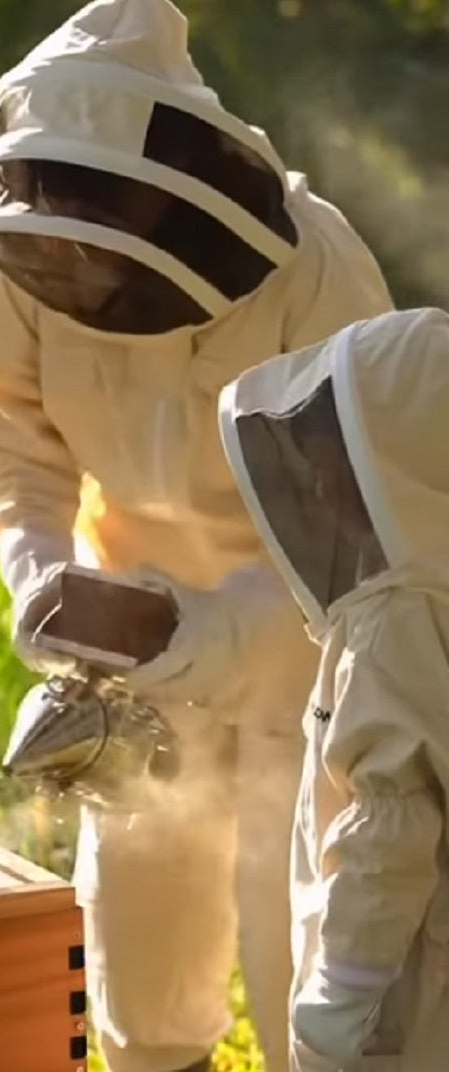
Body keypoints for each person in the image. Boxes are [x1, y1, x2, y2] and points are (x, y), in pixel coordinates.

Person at [0, 0, 393, 1069]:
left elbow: (372, 526)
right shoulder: (15, 270)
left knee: (311, 947)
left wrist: (222, 629)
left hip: (309, 646)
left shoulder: (316, 272)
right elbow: (16, 448)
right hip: (135, 635)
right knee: (142, 934)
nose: (80, 267)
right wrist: (42, 579)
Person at [217, 307, 449, 1072]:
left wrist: (333, 1009)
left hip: (407, 1003)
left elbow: (390, 833)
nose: (320, 485)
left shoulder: (394, 624)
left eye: (339, 463)